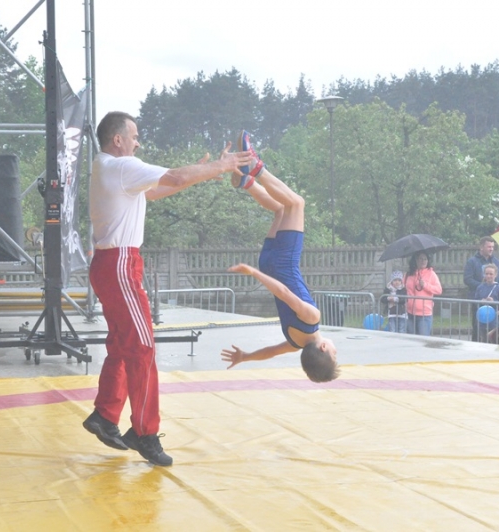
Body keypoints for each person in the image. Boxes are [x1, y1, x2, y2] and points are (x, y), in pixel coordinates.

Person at [82, 112, 252, 467]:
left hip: (107, 264)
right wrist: (221, 166)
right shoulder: (122, 166)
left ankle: (105, 414)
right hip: (120, 264)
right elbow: (174, 176)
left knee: (123, 343)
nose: (138, 142)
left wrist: (201, 172)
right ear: (118, 139)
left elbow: (157, 191)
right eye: (134, 136)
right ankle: (144, 433)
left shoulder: (105, 167)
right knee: (142, 347)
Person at [221, 131, 340, 383]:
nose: (336, 350)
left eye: (334, 354)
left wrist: (254, 274)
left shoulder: (312, 318)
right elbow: (271, 352)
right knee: (280, 209)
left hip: (283, 262)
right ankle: (245, 182)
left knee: (296, 203)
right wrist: (244, 357)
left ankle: (255, 167)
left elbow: (284, 292)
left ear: (323, 348)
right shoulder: (294, 341)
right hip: (270, 263)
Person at [464, 236, 499, 341]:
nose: (491, 249)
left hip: (494, 304)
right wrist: (483, 287)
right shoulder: (472, 261)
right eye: (489, 247)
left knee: (495, 331)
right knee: (478, 329)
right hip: (478, 302)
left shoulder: (496, 261)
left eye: (492, 247)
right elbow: (467, 279)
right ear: (481, 247)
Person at [405, 251, 442, 336]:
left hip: (424, 314)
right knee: (410, 339)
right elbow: (403, 288)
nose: (423, 261)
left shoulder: (431, 274)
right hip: (409, 313)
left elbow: (438, 290)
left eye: (425, 259)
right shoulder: (409, 274)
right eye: (421, 259)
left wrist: (425, 285)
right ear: (416, 260)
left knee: (422, 339)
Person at [474, 263, 499, 343]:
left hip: (494, 319)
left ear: (495, 275)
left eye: (491, 274)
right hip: (482, 319)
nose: (488, 276)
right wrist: (481, 301)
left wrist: (494, 302)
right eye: (486, 274)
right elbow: (475, 300)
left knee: (494, 339)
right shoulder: (480, 287)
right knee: (483, 339)